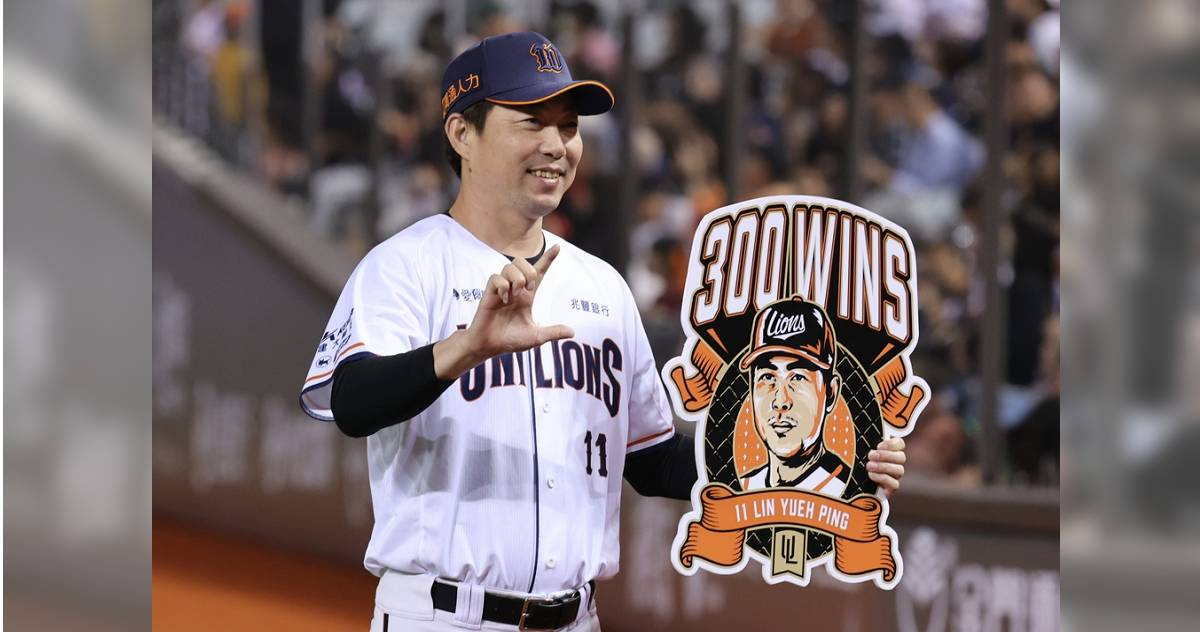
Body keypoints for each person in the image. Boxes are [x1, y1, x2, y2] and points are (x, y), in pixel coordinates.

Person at [299, 32, 906, 632]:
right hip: (442, 616)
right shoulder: (407, 264)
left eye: (568, 127)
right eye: (531, 122)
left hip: (576, 617)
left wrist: (818, 466)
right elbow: (352, 401)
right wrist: (463, 349)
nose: (556, 145)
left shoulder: (602, 287)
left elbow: (653, 459)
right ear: (462, 134)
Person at [740, 298, 849, 495]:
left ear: (831, 392)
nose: (780, 401)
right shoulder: (740, 486)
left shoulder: (852, 487)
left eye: (798, 377)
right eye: (768, 377)